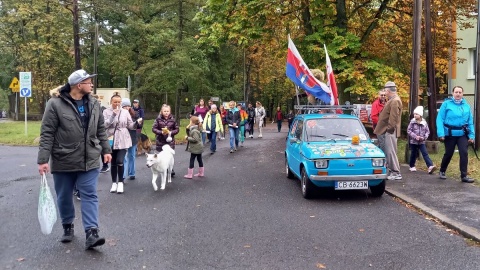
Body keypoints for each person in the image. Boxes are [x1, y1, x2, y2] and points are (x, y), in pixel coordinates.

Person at [37, 69, 111, 250]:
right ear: (79, 85)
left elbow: (101, 128)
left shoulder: (94, 104)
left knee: (89, 194)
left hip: (90, 159)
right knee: (64, 196)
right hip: (64, 159)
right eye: (89, 82)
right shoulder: (55, 104)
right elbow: (47, 133)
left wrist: (106, 150)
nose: (92, 85)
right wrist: (43, 160)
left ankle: (91, 232)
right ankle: (67, 226)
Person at [436, 86, 475, 183]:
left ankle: (464, 176)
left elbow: (470, 122)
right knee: (449, 153)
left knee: (464, 153)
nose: (458, 94)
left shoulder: (466, 106)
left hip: (462, 133)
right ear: (453, 93)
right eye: (456, 92)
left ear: (462, 94)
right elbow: (439, 119)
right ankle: (442, 171)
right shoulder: (446, 104)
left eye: (460, 92)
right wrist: (441, 133)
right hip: (449, 133)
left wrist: (471, 135)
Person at [104, 95, 142, 194]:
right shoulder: (106, 112)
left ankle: (120, 182)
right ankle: (114, 183)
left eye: (119, 102)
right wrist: (113, 115)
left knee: (120, 160)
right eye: (115, 102)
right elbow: (104, 125)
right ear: (111, 102)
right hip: (111, 138)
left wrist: (136, 124)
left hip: (123, 138)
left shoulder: (125, 112)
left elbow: (130, 125)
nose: (117, 104)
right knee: (113, 162)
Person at [373, 81, 403, 180]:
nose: (385, 93)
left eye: (385, 91)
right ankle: (392, 171)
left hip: (390, 130)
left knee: (390, 151)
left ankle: (395, 172)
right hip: (390, 130)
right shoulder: (393, 100)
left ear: (389, 90)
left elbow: (393, 117)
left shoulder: (395, 101)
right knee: (390, 151)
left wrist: (389, 130)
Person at [152, 104, 180, 176]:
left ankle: (170, 168)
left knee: (169, 155)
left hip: (169, 141)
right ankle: (161, 168)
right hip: (161, 140)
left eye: (167, 111)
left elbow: (177, 129)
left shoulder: (173, 119)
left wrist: (171, 132)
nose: (166, 112)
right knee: (161, 155)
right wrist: (160, 132)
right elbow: (154, 129)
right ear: (162, 111)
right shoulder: (158, 119)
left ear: (170, 111)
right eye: (165, 111)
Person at [407, 106, 436, 174]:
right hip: (413, 141)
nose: (415, 115)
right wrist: (415, 136)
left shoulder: (424, 122)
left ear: (420, 115)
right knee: (413, 154)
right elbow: (409, 130)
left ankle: (430, 166)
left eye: (417, 114)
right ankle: (412, 166)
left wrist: (424, 138)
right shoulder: (412, 122)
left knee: (425, 153)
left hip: (421, 142)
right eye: (414, 114)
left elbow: (427, 131)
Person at [122, 98, 140, 181]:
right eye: (125, 106)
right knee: (124, 157)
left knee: (132, 156)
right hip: (123, 138)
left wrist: (139, 123)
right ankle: (123, 175)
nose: (126, 108)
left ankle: (132, 173)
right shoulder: (119, 114)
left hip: (132, 138)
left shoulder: (135, 114)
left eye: (128, 106)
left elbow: (137, 126)